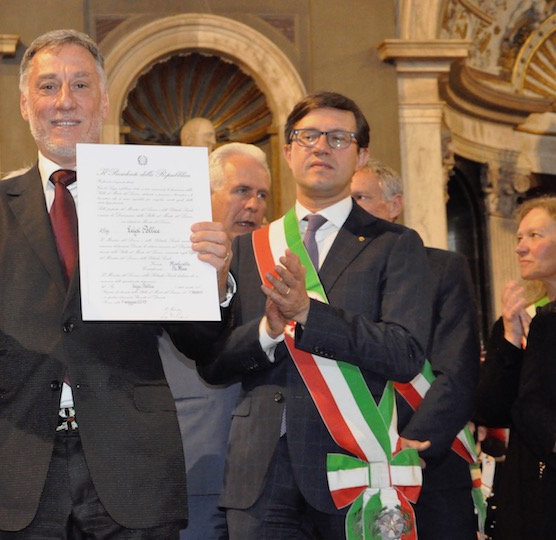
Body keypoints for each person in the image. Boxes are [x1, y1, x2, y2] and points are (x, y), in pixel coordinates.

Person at [0, 29, 229, 538]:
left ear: (103, 101)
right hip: (15, 471)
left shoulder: (155, 194)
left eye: (80, 85)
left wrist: (214, 282)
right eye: (48, 86)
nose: (64, 101)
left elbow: (200, 342)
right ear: (24, 103)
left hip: (131, 468)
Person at [198, 91, 435, 538]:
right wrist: (269, 329)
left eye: (338, 138)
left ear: (361, 154)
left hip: (352, 466)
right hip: (260, 474)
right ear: (287, 151)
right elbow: (214, 364)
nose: (321, 147)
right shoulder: (249, 248)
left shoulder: (395, 245)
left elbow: (404, 353)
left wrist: (308, 313)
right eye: (308, 136)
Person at [352, 160, 480, 538]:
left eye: (360, 197)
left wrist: (414, 440)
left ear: (395, 205)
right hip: (351, 453)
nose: (350, 208)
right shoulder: (331, 273)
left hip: (427, 459)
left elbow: (457, 366)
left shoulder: (443, 268)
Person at [160, 142, 271, 540]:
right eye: (242, 191)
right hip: (196, 460)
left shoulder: (280, 264)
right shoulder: (167, 254)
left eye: (262, 195)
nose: (254, 205)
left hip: (269, 471)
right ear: (205, 196)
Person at [474, 195, 556, 539]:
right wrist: (509, 337)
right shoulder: (522, 320)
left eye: (535, 236)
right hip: (528, 489)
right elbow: (491, 411)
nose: (521, 247)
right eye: (519, 238)